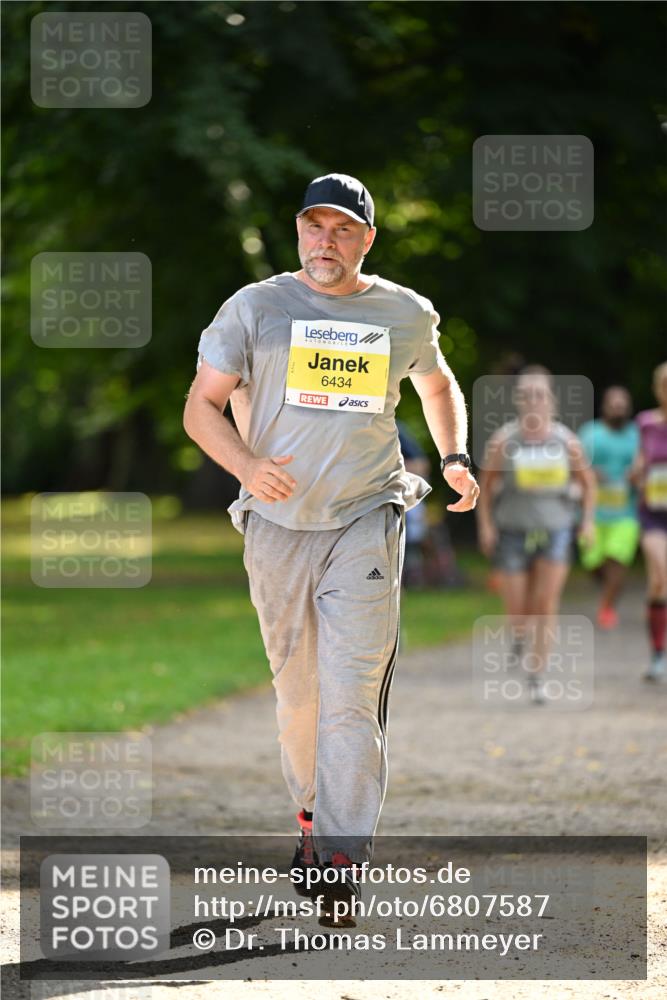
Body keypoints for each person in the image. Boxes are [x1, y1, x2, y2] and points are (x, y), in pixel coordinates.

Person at [182, 173, 479, 925]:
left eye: (343, 228)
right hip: (277, 528)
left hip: (364, 517)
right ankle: (311, 821)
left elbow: (437, 386)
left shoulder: (401, 313)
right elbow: (201, 406)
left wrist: (453, 458)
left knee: (350, 692)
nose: (326, 240)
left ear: (366, 239)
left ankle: (343, 864)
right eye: (315, 226)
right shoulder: (255, 307)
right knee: (299, 696)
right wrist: (248, 467)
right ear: (297, 233)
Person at [476, 366, 596, 704]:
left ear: (551, 401)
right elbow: (484, 489)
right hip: (512, 531)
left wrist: (587, 522)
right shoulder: (504, 441)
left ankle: (537, 673)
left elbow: (589, 486)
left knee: (545, 603)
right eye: (526, 396)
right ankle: (518, 635)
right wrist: (486, 526)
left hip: (555, 530)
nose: (533, 402)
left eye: (539, 395)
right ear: (518, 402)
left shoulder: (565, 442)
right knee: (518, 608)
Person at [578, 386, 640, 629]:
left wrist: (636, 475)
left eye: (623, 405)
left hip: (626, 512)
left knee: (618, 559)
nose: (618, 409)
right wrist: (590, 474)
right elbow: (576, 466)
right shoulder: (589, 434)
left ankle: (606, 606)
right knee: (593, 563)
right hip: (593, 513)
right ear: (604, 407)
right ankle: (609, 591)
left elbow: (646, 464)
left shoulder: (637, 435)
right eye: (614, 404)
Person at [631, 362, 667, 681]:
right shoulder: (646, 423)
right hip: (653, 513)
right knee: (659, 578)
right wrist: (637, 473)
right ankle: (658, 655)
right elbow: (638, 462)